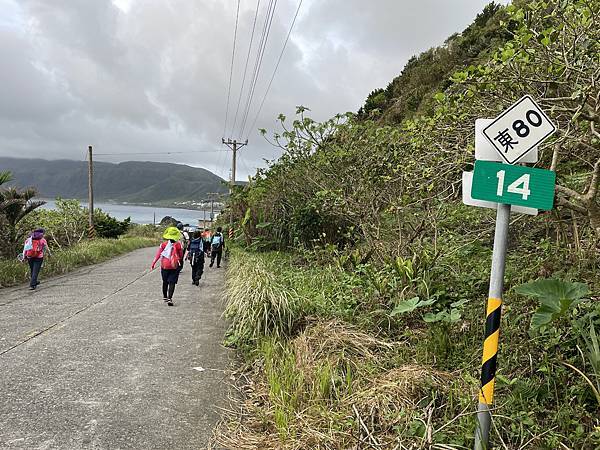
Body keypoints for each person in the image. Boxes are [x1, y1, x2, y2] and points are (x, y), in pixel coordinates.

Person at [151, 226, 184, 306]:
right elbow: (181, 256)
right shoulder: (178, 245)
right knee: (172, 282)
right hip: (174, 266)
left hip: (164, 266)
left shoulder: (163, 244)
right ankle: (170, 298)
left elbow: (158, 254)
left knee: (165, 282)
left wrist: (153, 263)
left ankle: (165, 297)